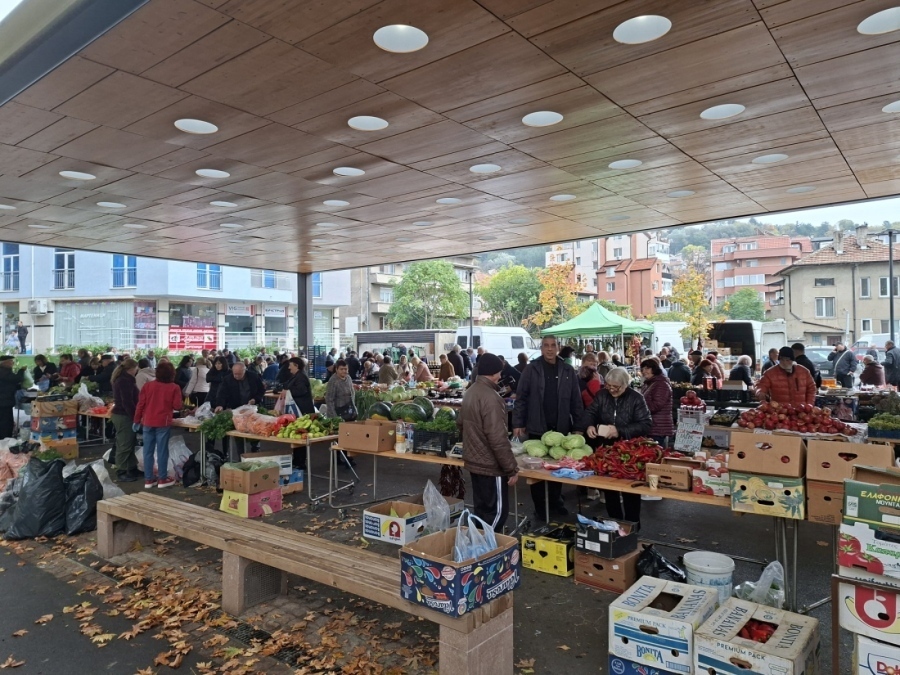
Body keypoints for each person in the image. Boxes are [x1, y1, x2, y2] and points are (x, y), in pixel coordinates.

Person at [512, 335, 583, 519]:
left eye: (553, 346)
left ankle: (556, 504)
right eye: (546, 346)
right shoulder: (531, 369)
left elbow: (576, 400)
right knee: (537, 470)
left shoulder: (568, 370)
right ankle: (541, 508)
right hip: (536, 425)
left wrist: (578, 426)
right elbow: (521, 397)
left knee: (557, 468)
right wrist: (518, 422)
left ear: (558, 348)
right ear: (541, 348)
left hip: (560, 427)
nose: (550, 349)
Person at [578, 367, 652, 527]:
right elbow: (590, 412)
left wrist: (619, 431)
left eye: (616, 387)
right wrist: (589, 425)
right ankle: (615, 524)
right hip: (607, 450)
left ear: (626, 385)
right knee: (609, 488)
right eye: (609, 386)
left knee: (630, 491)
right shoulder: (602, 395)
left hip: (630, 451)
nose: (611, 389)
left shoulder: (636, 398)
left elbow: (646, 424)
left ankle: (633, 525)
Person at [459, 353, 518, 532]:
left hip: (474, 462)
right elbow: (498, 438)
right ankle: (485, 550)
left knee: (481, 511)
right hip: (491, 466)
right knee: (497, 514)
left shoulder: (470, 392)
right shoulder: (491, 398)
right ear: (493, 372)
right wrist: (511, 468)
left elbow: (460, 424)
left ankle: (478, 548)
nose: (500, 376)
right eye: (499, 372)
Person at [134, 360, 183, 489]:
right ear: (172, 373)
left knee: (147, 451)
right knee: (162, 451)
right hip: (163, 422)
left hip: (147, 421)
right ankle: (162, 478)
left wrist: (136, 420)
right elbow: (177, 406)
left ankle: (148, 479)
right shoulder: (174, 387)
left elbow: (140, 405)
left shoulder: (147, 386)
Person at [210, 361, 266, 461]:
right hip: (236, 410)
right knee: (238, 432)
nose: (236, 376)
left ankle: (256, 449)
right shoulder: (228, 379)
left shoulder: (253, 376)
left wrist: (256, 399)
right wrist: (220, 405)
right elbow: (221, 393)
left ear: (245, 371)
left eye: (239, 374)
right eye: (234, 373)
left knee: (255, 429)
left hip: (252, 409)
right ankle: (241, 457)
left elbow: (261, 390)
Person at [110, 358, 141, 483]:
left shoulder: (123, 379)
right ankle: (121, 470)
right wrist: (135, 418)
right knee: (124, 444)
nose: (137, 371)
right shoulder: (124, 381)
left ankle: (131, 467)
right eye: (136, 368)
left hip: (122, 414)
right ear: (131, 369)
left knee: (129, 442)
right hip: (124, 416)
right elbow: (127, 402)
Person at [640, 359, 674, 447]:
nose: (644, 371)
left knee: (657, 453)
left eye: (647, 368)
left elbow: (656, 405)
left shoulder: (661, 384)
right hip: (652, 426)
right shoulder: (649, 383)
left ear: (654, 369)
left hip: (658, 427)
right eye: (642, 369)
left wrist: (639, 408)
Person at [0, 356, 25, 439]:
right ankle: (5, 437)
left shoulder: (5, 371)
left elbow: (8, 384)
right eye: (11, 361)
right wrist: (21, 371)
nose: (12, 363)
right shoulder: (3, 371)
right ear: (5, 363)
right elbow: (17, 378)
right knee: (6, 421)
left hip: (5, 399)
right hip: (4, 401)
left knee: (6, 420)